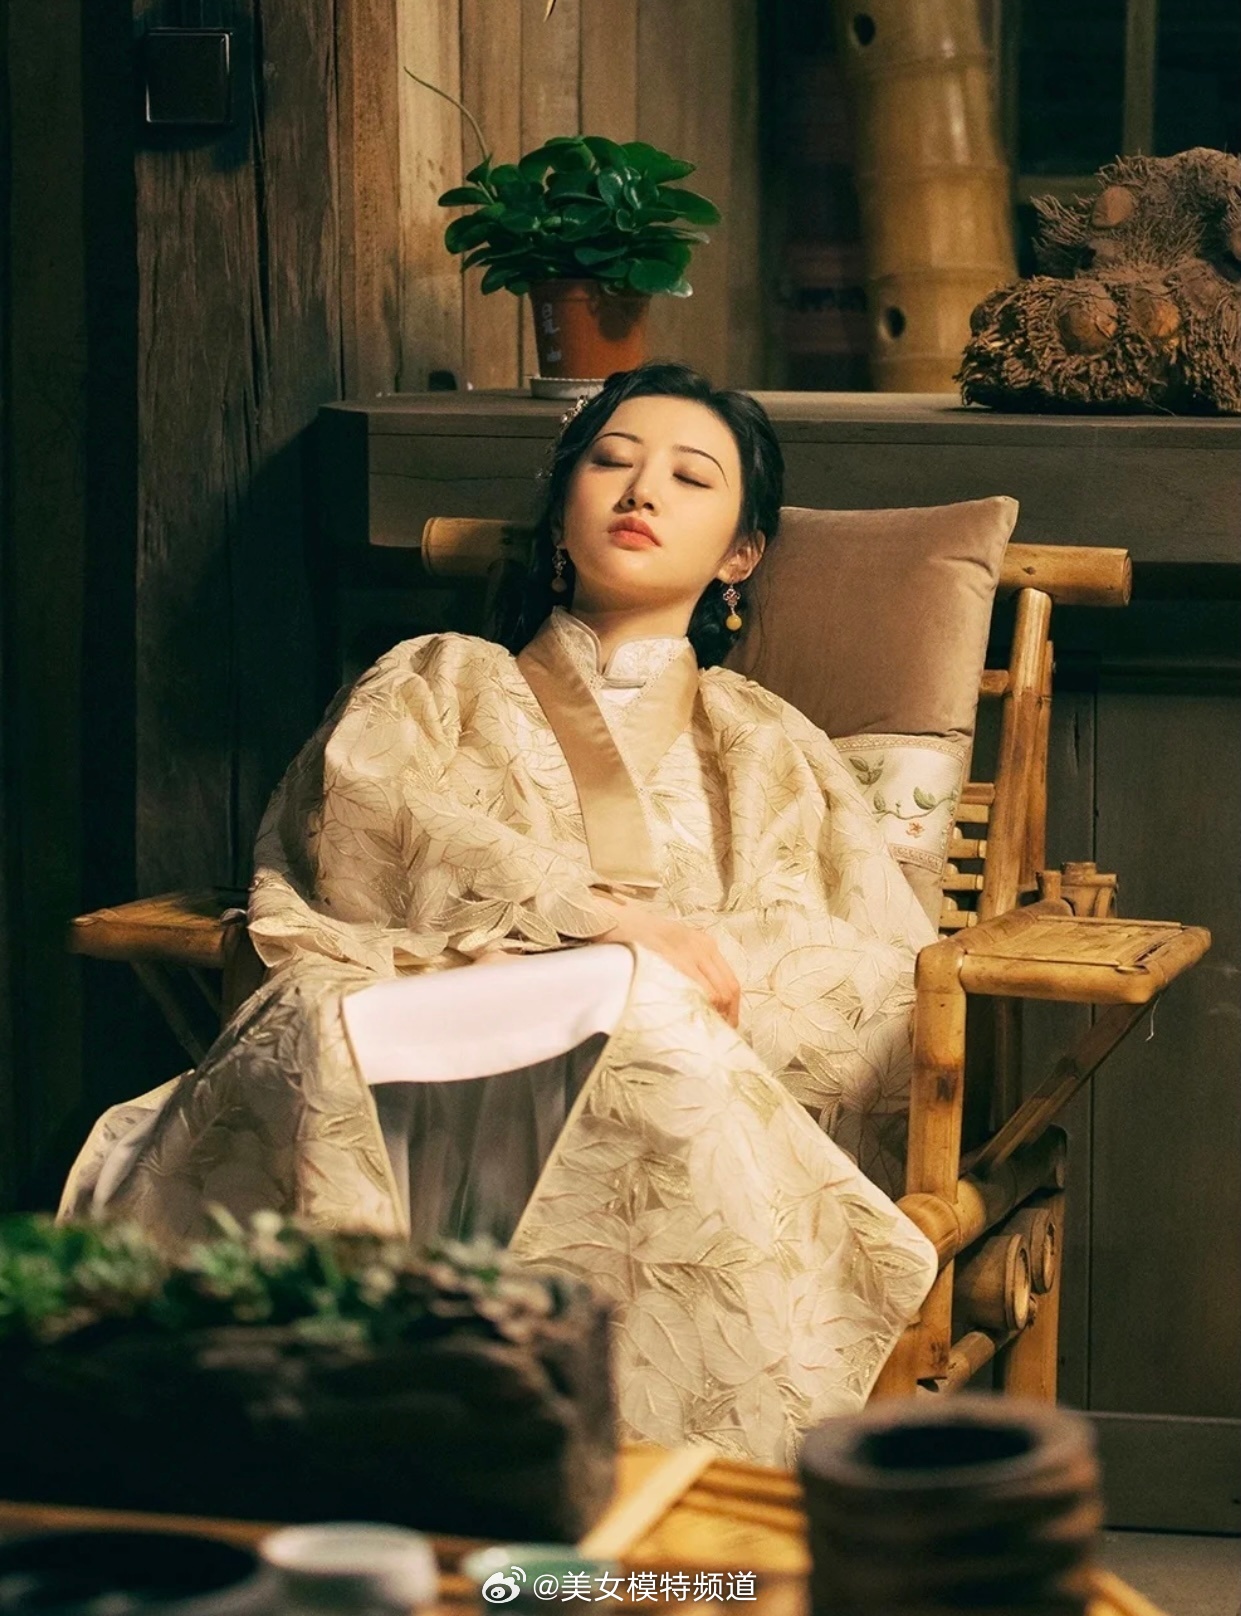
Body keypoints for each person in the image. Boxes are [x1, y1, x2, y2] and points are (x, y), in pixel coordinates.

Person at [62, 363, 938, 1464]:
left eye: (690, 476)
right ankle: (363, 1445)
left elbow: (856, 955)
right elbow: (366, 822)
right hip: (426, 1009)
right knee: (329, 1027)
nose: (641, 490)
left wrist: (645, 974)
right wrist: (597, 920)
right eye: (610, 461)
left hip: (645, 1054)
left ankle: (584, 1478)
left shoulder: (763, 740)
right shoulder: (439, 676)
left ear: (739, 556)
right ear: (561, 512)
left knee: (653, 1022)